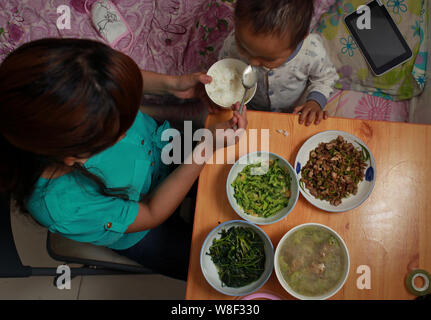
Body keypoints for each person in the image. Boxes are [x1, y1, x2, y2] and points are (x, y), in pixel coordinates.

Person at [0, 38, 247, 281]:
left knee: (239, 171)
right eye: (119, 129)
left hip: (160, 148)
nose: (130, 127)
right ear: (72, 156)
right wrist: (205, 148)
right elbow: (151, 212)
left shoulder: (72, 79)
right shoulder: (60, 207)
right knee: (225, 267)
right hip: (143, 225)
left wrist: (172, 85)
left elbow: (113, 82)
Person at [217, 0, 339, 126]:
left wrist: (315, 101)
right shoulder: (232, 44)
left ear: (299, 39)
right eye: (243, 48)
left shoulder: (312, 51)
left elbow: (325, 78)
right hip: (248, 109)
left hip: (294, 113)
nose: (252, 62)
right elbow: (225, 68)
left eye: (268, 59)